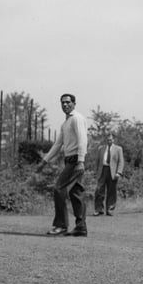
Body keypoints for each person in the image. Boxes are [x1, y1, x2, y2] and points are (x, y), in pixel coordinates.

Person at [36, 94, 88, 237]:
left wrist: (81, 161)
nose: (65, 105)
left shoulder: (76, 118)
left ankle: (61, 226)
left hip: (75, 160)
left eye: (68, 102)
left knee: (59, 188)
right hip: (69, 159)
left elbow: (82, 140)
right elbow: (58, 144)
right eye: (62, 103)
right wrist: (44, 161)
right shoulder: (65, 123)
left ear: (74, 103)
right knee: (76, 192)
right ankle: (80, 227)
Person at [93, 133, 124, 216]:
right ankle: (99, 209)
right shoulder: (101, 148)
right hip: (102, 170)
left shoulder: (118, 149)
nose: (109, 141)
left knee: (112, 191)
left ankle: (110, 209)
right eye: (108, 139)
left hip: (113, 172)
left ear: (113, 140)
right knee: (99, 190)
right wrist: (96, 172)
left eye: (110, 139)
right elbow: (97, 161)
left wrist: (119, 172)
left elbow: (121, 162)